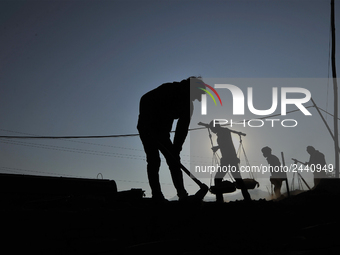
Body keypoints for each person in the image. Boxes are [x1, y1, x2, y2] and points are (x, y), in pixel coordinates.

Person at [137, 76, 206, 203]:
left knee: (174, 160)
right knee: (154, 160)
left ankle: (181, 193)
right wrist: (148, 127)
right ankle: (157, 195)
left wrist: (176, 149)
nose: (196, 98)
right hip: (146, 125)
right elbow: (145, 99)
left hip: (162, 132)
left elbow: (182, 129)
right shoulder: (168, 90)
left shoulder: (188, 106)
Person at [208, 121, 251, 203]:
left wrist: (217, 147)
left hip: (229, 159)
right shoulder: (223, 131)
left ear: (215, 127)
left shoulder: (224, 132)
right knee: (237, 179)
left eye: (212, 129)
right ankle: (247, 198)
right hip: (228, 159)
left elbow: (226, 144)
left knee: (219, 179)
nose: (212, 131)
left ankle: (220, 200)